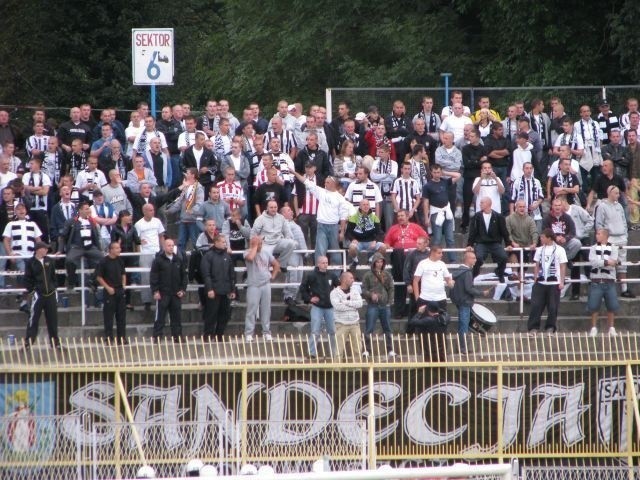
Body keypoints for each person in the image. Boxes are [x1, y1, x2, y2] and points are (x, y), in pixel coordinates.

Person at [595, 185, 634, 298]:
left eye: (618, 193)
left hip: (621, 237)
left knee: (623, 264)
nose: (618, 195)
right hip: (610, 238)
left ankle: (624, 289)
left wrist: (625, 235)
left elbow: (624, 221)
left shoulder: (620, 206)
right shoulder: (602, 206)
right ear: (610, 193)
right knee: (608, 264)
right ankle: (607, 289)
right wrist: (602, 238)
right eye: (616, 193)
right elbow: (599, 224)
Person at [526, 229, 567, 335]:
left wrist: (561, 281)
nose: (541, 238)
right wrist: (535, 278)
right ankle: (533, 327)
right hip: (541, 282)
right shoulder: (539, 250)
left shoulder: (560, 250)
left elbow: (562, 266)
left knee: (553, 307)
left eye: (543, 237)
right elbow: (537, 264)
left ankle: (550, 327)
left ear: (549, 238)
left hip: (554, 282)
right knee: (536, 305)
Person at [58, 201, 104, 291]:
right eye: (86, 209)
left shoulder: (92, 222)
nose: (89, 211)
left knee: (103, 259)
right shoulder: (71, 221)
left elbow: (96, 237)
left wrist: (99, 249)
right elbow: (62, 236)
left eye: (89, 208)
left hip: (90, 247)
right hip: (77, 247)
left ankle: (93, 280)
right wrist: (60, 250)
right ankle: (71, 281)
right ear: (80, 210)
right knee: (69, 260)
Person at [450, 250, 490, 354]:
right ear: (467, 259)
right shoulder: (467, 272)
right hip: (465, 301)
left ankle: (462, 347)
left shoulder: (459, 271)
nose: (475, 260)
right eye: (473, 258)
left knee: (463, 324)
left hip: (459, 300)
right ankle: (463, 348)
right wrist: (482, 293)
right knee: (464, 325)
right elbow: (469, 288)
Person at [300, 256, 339, 359]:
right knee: (315, 331)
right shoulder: (312, 275)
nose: (325, 264)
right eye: (323, 263)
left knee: (333, 331)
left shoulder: (332, 275)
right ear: (318, 264)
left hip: (330, 307)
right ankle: (311, 353)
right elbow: (302, 288)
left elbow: (339, 287)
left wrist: (337, 299)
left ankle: (335, 353)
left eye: (326, 262)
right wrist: (310, 298)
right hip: (317, 307)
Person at [149, 237, 187, 342]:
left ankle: (177, 336)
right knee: (160, 316)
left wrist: (183, 289)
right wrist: (155, 291)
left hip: (175, 293)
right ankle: (157, 336)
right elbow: (154, 276)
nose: (171, 247)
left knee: (176, 316)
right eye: (168, 245)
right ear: (164, 247)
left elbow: (184, 276)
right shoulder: (158, 260)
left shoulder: (178, 260)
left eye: (172, 245)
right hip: (163, 293)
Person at [23, 241, 60, 349]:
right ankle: (28, 343)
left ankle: (55, 343)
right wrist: (33, 291)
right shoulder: (30, 262)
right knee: (33, 319)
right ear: (39, 250)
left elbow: (53, 277)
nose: (46, 250)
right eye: (45, 248)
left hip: (51, 294)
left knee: (53, 320)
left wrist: (54, 288)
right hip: (38, 295)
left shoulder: (49, 261)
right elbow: (26, 279)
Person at [244, 236, 279, 342]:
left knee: (266, 309)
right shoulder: (246, 252)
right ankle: (249, 333)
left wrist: (272, 276)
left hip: (265, 283)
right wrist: (254, 247)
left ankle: (266, 332)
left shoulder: (266, 252)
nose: (261, 246)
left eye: (261, 244)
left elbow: (276, 264)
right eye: (259, 244)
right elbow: (250, 258)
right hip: (253, 284)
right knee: (252, 309)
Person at [200, 234, 236, 340]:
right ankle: (208, 335)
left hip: (225, 290)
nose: (225, 244)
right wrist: (210, 289)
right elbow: (206, 274)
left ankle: (219, 335)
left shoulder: (227, 257)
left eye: (225, 242)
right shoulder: (208, 256)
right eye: (223, 242)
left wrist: (232, 289)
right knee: (211, 314)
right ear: (216, 243)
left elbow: (232, 274)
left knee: (225, 314)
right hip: (214, 291)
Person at [467, 197, 511, 281]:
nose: (480, 204)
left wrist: (508, 244)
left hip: (495, 243)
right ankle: (475, 273)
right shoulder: (476, 216)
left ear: (488, 204)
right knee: (478, 258)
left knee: (504, 257)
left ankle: (500, 272)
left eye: (482, 202)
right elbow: (472, 232)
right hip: (481, 243)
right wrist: (470, 244)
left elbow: (504, 231)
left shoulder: (498, 216)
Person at [361, 252, 396, 358]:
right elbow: (363, 289)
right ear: (374, 263)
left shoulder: (387, 274)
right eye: (377, 262)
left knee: (388, 328)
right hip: (373, 305)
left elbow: (391, 288)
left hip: (384, 305)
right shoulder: (367, 275)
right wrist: (371, 295)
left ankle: (390, 349)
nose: (379, 264)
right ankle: (367, 350)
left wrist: (390, 301)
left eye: (381, 262)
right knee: (369, 328)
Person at [588, 228, 620, 336]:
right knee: (593, 305)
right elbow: (593, 262)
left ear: (605, 236)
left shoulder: (614, 248)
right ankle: (593, 327)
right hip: (596, 280)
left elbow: (614, 262)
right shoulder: (593, 248)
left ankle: (611, 327)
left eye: (599, 234)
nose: (596, 235)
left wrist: (602, 263)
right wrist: (606, 262)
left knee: (611, 305)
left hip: (609, 280)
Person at [135, 203, 166, 310]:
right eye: (150, 210)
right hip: (145, 253)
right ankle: (146, 301)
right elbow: (136, 240)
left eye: (153, 210)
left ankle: (162, 298)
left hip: (157, 251)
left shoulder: (157, 221)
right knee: (145, 277)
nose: (152, 212)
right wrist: (139, 253)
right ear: (144, 211)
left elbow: (161, 236)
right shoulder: (138, 224)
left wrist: (163, 249)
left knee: (161, 276)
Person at [95, 241, 127, 343]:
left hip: (119, 290)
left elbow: (123, 274)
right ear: (111, 250)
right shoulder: (104, 262)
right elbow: (99, 277)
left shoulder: (120, 260)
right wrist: (108, 288)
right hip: (109, 291)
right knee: (108, 316)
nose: (119, 250)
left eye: (119, 248)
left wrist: (123, 285)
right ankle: (109, 338)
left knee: (121, 316)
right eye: (117, 248)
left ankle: (121, 338)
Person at [251, 199, 296, 270]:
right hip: (266, 244)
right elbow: (254, 233)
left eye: (275, 207)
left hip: (278, 242)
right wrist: (254, 245)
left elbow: (286, 231)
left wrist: (287, 238)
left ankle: (281, 265)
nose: (273, 209)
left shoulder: (281, 218)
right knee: (263, 258)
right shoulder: (260, 219)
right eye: (271, 207)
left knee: (292, 243)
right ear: (267, 208)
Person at [167, 168, 205, 252]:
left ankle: (196, 262)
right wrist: (170, 211)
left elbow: (200, 202)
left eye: (187, 173)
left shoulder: (199, 187)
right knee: (180, 243)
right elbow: (180, 201)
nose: (185, 175)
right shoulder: (186, 187)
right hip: (184, 220)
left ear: (193, 175)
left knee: (195, 243)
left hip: (194, 221)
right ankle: (180, 263)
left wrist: (193, 210)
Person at [330, 270, 365, 360]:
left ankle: (357, 370)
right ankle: (337, 371)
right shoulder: (334, 293)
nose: (353, 280)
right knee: (338, 351)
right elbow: (338, 307)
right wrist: (353, 306)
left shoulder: (355, 291)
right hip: (341, 324)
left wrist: (346, 302)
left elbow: (360, 304)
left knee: (358, 349)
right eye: (351, 278)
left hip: (355, 324)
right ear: (344, 280)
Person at [110, 210, 139, 310]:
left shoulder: (132, 228)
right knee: (118, 277)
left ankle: (128, 302)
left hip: (129, 255)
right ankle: (119, 301)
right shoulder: (115, 228)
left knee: (128, 278)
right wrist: (117, 244)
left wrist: (137, 253)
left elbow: (137, 240)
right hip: (119, 256)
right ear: (122, 217)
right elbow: (112, 242)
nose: (130, 218)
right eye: (127, 216)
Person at [412, 244, 454, 313]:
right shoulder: (422, 263)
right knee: (425, 321)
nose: (442, 255)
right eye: (439, 253)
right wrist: (417, 298)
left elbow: (448, 279)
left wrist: (450, 282)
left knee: (441, 321)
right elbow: (415, 281)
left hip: (440, 298)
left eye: (441, 253)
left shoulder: (442, 264)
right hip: (425, 298)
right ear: (432, 252)